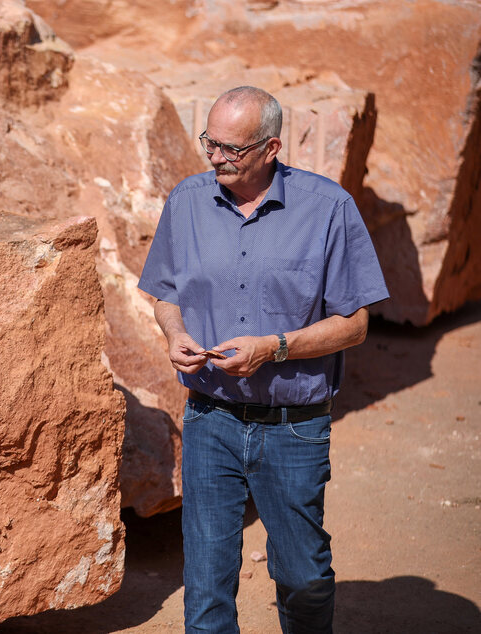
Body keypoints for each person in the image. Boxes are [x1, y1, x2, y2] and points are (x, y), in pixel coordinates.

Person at [138, 86, 389, 633]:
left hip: (294, 428)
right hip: (209, 419)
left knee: (303, 576)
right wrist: (174, 332)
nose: (215, 157)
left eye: (232, 149)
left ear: (272, 146)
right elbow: (164, 293)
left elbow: (356, 323)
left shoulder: (329, 209)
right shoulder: (186, 201)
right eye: (210, 143)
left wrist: (273, 348)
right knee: (205, 588)